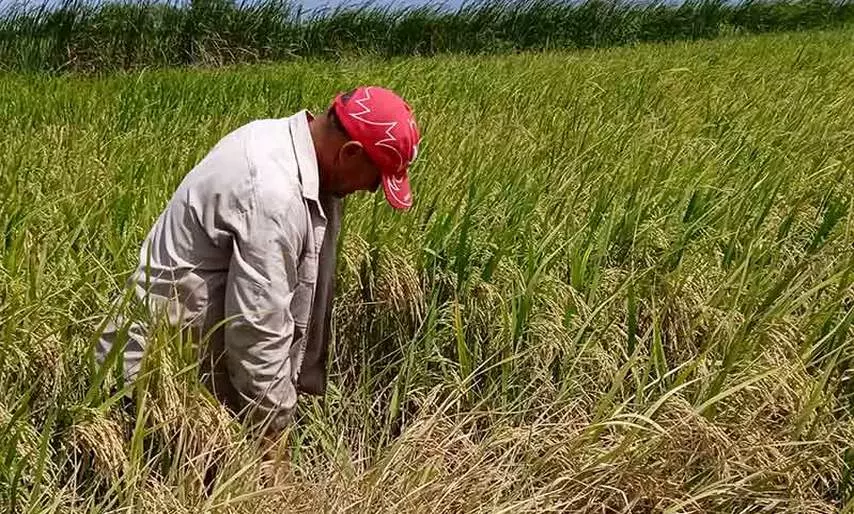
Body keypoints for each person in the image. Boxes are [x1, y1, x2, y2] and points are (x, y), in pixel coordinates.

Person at [94, 86, 421, 444]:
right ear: (351, 152)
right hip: (154, 384)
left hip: (193, 368)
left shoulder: (287, 147)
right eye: (375, 179)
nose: (371, 191)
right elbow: (257, 328)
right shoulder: (272, 194)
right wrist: (272, 433)